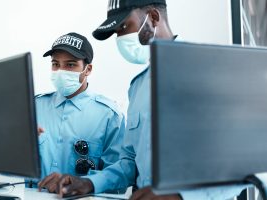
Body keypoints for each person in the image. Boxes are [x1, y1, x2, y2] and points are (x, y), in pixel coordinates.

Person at [38, 1, 248, 199]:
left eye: (124, 27)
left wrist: (182, 196)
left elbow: (254, 165)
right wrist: (89, 183)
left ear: (153, 17)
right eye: (116, 32)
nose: (119, 38)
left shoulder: (210, 70)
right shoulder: (138, 87)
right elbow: (129, 162)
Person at [33, 32, 125, 189]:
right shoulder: (34, 107)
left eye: (70, 64)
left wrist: (86, 183)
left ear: (87, 69)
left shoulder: (109, 115)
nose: (60, 71)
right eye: (55, 64)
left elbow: (119, 174)